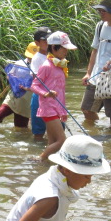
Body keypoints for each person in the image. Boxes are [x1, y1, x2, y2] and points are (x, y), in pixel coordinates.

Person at [30, 31, 77, 161]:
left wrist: (63, 110)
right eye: (63, 48)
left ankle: (46, 164)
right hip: (48, 108)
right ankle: (39, 159)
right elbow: (33, 85)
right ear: (53, 47)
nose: (66, 52)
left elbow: (61, 91)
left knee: (52, 142)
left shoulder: (60, 66)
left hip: (56, 108)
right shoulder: (46, 66)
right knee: (62, 141)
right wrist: (46, 93)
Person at [0, 42, 36, 129]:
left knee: (20, 128)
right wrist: (13, 80)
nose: (30, 58)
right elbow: (9, 75)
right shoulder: (19, 63)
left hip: (26, 102)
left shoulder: (40, 67)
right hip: (13, 97)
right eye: (29, 56)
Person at [29, 27, 52, 141]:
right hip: (40, 96)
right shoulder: (37, 58)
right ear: (37, 43)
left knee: (56, 128)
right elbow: (36, 81)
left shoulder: (54, 56)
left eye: (50, 40)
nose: (48, 43)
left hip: (53, 96)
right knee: (39, 131)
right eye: (45, 41)